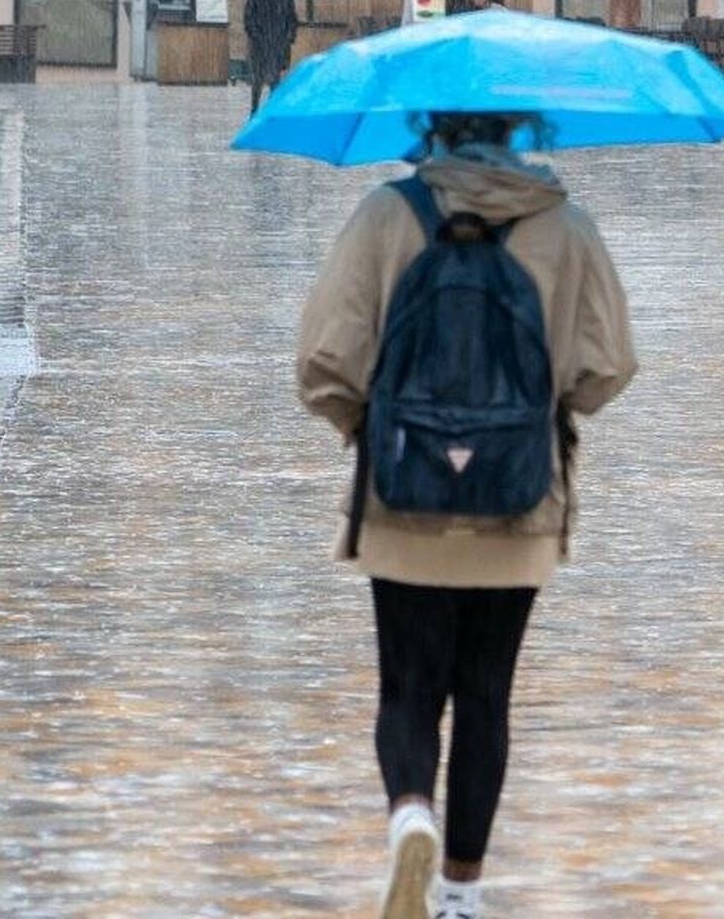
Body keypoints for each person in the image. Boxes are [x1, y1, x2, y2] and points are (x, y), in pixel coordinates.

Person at [296, 112, 636, 919]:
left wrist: (367, 428)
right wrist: (543, 407)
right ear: (520, 126)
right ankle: (458, 892)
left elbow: (323, 361)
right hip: (517, 501)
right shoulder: (566, 226)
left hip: (402, 498)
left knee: (407, 690)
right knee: (486, 695)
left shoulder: (387, 215)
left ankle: (410, 810)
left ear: (429, 126)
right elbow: (607, 367)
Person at [243, 0, 299, 114]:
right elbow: (248, 21)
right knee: (258, 81)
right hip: (259, 46)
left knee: (276, 80)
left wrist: (288, 39)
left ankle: (272, 112)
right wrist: (257, 38)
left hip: (279, 45)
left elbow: (292, 20)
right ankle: (254, 111)